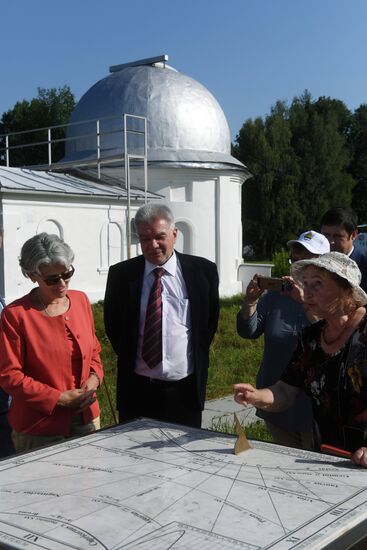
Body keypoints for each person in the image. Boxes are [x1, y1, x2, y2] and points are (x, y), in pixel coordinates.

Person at [234, 251, 367, 467]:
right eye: (305, 283)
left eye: (317, 284)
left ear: (346, 290)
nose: (306, 292)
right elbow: (285, 391)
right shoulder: (311, 338)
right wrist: (255, 395)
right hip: (324, 458)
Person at [104, 203, 219, 428]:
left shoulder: (203, 272)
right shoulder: (121, 275)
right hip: (137, 391)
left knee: (183, 458)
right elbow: (114, 326)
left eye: (160, 236)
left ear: (175, 234)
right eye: (145, 238)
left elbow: (208, 325)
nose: (153, 245)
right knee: (135, 460)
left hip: (184, 392)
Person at [0, 233, 103, 454]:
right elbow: (10, 376)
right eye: (53, 279)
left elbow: (94, 352)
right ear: (31, 276)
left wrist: (94, 380)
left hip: (86, 417)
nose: (63, 284)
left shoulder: (81, 300)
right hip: (39, 427)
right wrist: (58, 398)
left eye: (67, 274)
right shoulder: (16, 315)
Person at [237, 230, 330, 449]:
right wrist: (250, 301)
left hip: (314, 405)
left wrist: (304, 302)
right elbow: (248, 331)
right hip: (275, 397)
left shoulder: (330, 298)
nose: (298, 265)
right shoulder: (275, 296)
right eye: (295, 259)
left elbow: (328, 336)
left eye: (305, 259)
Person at [320, 206, 367, 291]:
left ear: (353, 235)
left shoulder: (364, 268)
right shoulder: (314, 265)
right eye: (326, 235)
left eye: (337, 236)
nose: (331, 241)